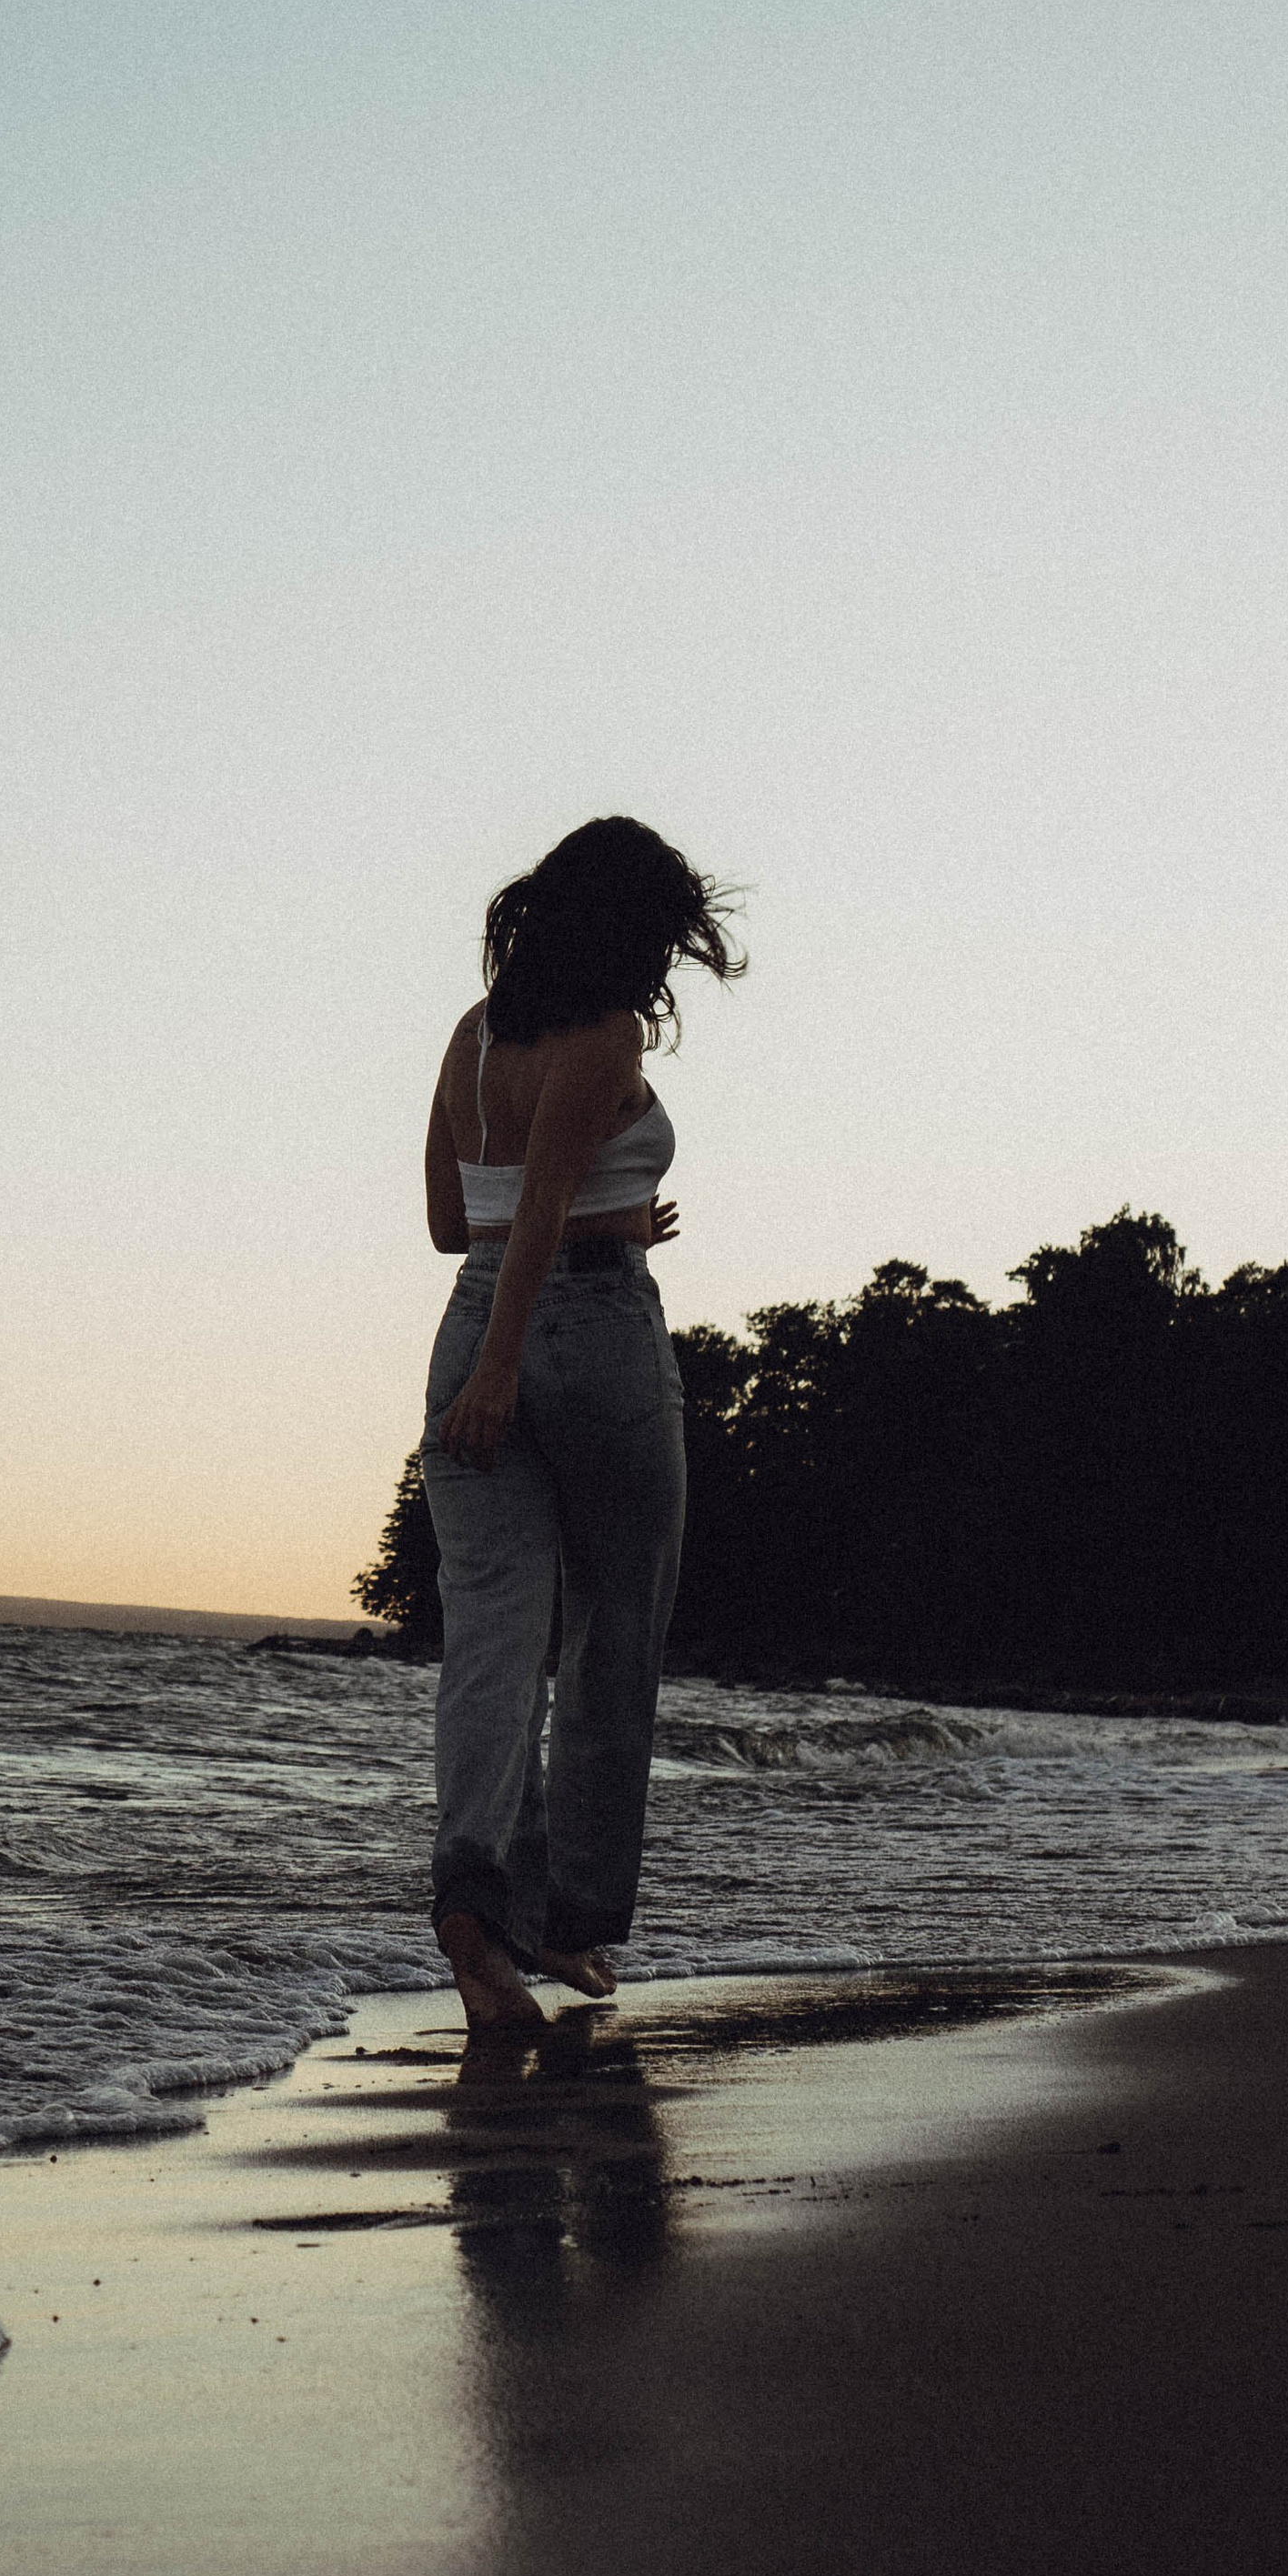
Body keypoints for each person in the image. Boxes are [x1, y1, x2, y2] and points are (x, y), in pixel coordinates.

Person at [420, 816, 743, 2030]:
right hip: (585, 1333)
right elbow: (548, 1203)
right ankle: (570, 1922)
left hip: (467, 1320)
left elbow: (461, 1221)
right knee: (615, 1625)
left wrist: (496, 1350)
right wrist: (514, 1360)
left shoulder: (475, 1033)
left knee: (493, 1639)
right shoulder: (603, 1036)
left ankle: (473, 1905)